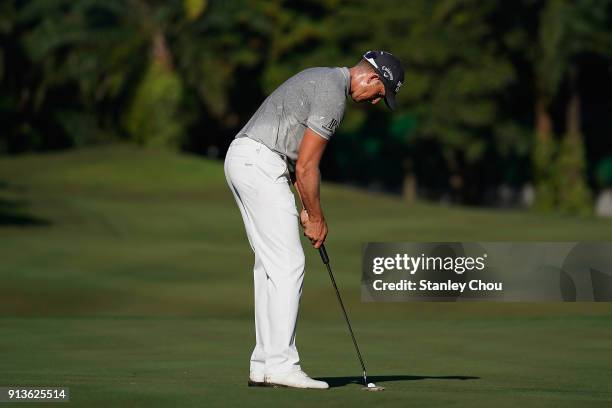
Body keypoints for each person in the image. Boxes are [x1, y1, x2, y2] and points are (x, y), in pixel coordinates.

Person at [224, 50, 404, 389]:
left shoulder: (323, 78)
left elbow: (296, 159)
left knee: (270, 266)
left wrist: (306, 208)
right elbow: (307, 166)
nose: (377, 101)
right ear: (371, 78)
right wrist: (317, 218)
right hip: (260, 162)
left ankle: (263, 364)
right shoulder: (333, 95)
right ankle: (281, 365)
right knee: (289, 264)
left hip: (247, 158)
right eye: (380, 93)